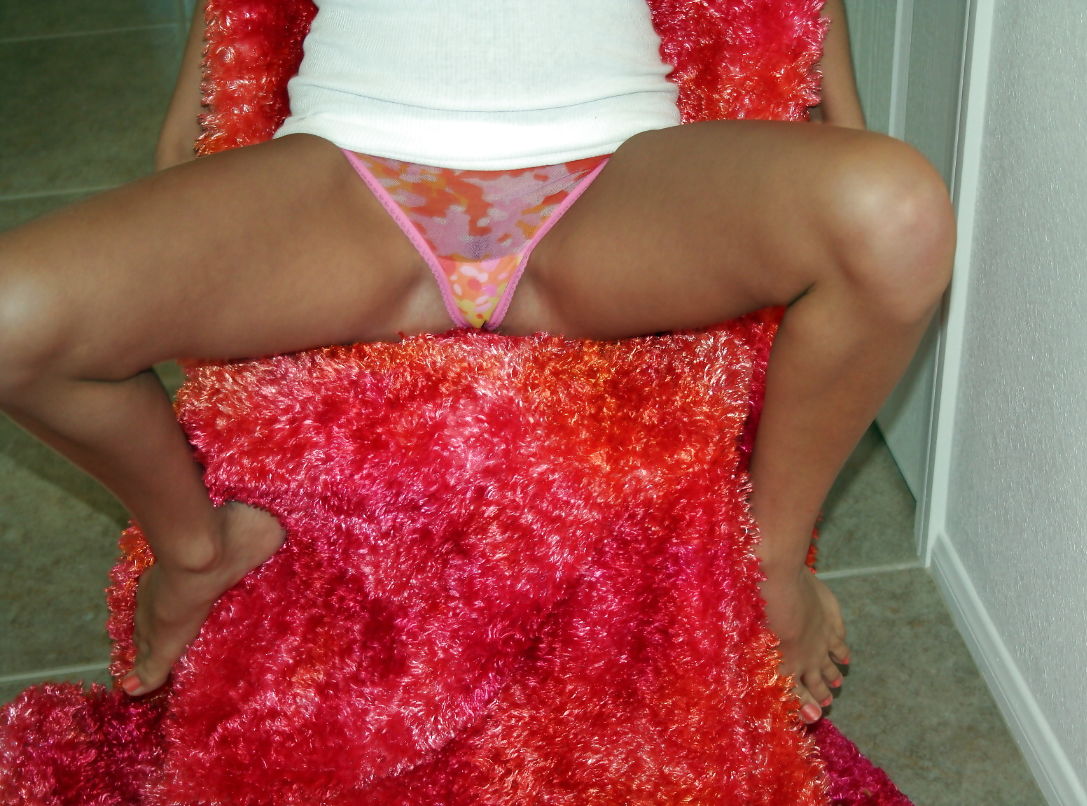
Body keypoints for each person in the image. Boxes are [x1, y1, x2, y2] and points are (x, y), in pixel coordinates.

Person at [0, 0, 953, 729]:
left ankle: (770, 562)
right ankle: (196, 552)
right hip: (347, 182)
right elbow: (198, 108)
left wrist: (832, 142)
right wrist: (200, 259)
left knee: (895, 216)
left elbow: (811, 65)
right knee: (12, 317)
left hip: (618, 183)